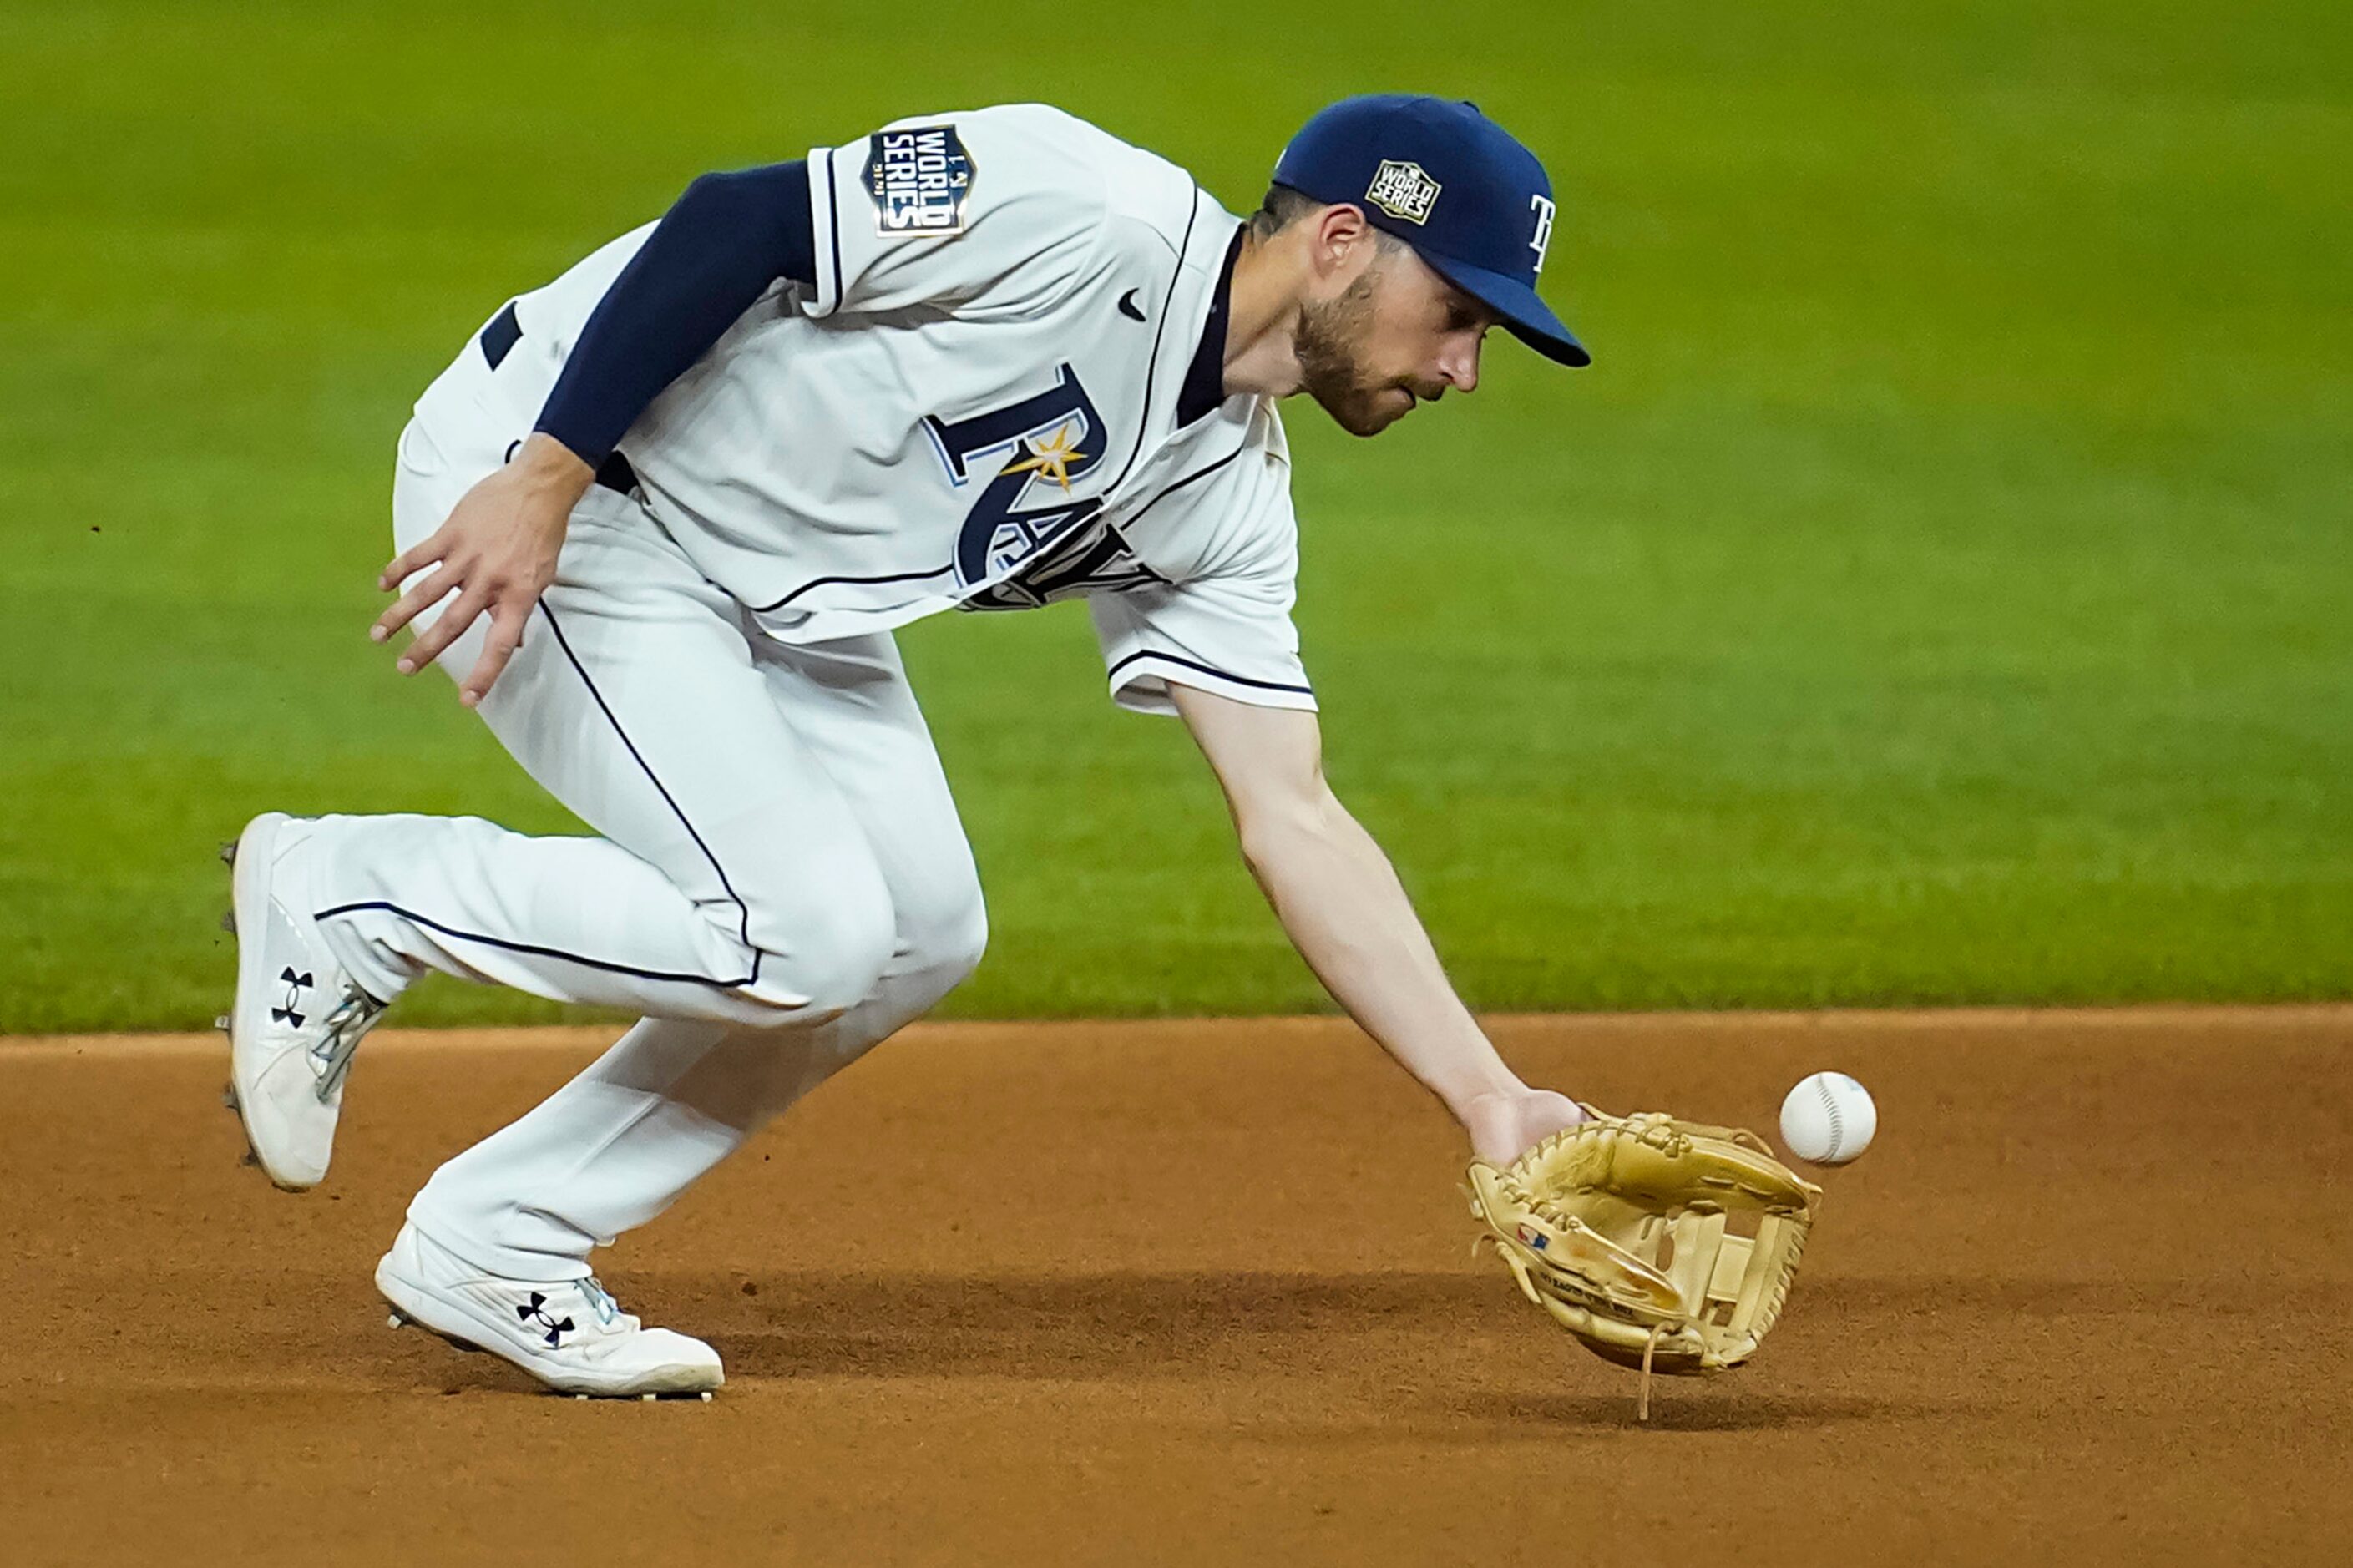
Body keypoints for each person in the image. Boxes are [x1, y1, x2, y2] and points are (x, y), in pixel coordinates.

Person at [221, 94, 1593, 1398]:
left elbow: (1291, 815)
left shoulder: (1227, 498)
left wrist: (1486, 1091)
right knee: (799, 931)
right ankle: (352, 897)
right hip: (574, 484)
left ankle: (499, 1236)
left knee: (919, 927)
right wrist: (540, 479)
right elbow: (743, 219)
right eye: (1458, 314)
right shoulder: (1081, 204)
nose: (1463, 368)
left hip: (764, 580)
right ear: (1341, 241)